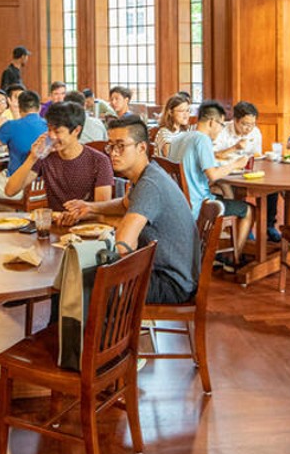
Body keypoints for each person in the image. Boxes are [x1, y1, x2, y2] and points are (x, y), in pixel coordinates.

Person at [64, 115, 197, 304]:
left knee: (81, 280)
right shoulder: (149, 173)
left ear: (142, 147)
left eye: (121, 146)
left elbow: (123, 243)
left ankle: (94, 333)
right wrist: (90, 208)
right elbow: (124, 204)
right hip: (166, 272)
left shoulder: (150, 185)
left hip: (170, 283)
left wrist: (101, 220)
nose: (113, 153)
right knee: (81, 274)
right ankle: (72, 332)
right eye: (111, 146)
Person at [166, 99, 254, 262]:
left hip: (178, 203)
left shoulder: (180, 138)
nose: (220, 130)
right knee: (248, 210)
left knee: (226, 194)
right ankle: (233, 259)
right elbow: (213, 175)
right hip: (199, 205)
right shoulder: (202, 139)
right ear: (212, 122)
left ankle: (219, 249)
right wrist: (236, 164)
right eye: (221, 125)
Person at [3, 101, 115, 214]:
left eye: (57, 131)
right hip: (56, 224)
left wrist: (76, 216)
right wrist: (32, 157)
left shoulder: (99, 161)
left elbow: (102, 209)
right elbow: (10, 191)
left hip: (88, 226)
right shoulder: (45, 156)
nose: (51, 136)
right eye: (49, 129)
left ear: (76, 130)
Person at [0, 90, 47, 196]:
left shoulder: (11, 125)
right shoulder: (50, 127)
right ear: (39, 107)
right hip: (42, 188)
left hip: (16, 186)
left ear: (19, 108)